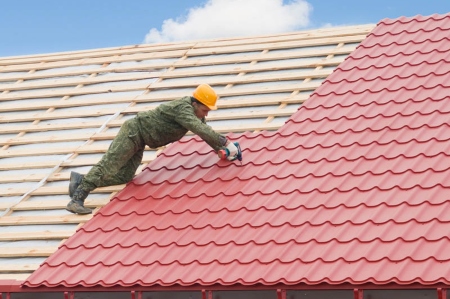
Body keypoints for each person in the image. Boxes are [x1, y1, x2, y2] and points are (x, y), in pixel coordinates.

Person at [66, 84, 239, 214]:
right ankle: (77, 199)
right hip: (134, 132)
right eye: (205, 110)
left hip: (141, 138)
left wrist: (219, 149)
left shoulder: (195, 113)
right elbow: (200, 129)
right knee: (109, 166)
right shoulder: (183, 109)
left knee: (124, 176)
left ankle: (80, 180)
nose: (206, 114)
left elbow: (205, 132)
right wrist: (226, 143)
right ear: (195, 103)